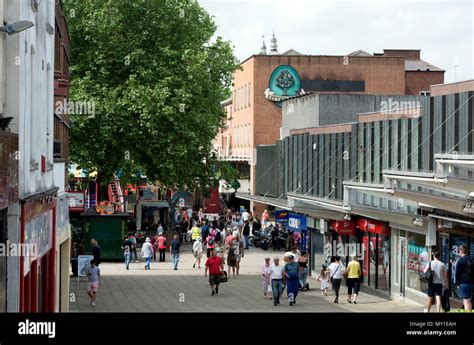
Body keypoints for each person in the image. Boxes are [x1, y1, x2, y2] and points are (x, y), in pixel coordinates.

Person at [455, 245, 473, 311]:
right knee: (469, 301)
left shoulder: (460, 261)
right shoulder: (472, 259)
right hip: (472, 283)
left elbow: (457, 274)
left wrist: (457, 284)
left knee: (466, 302)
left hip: (464, 284)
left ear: (461, 251)